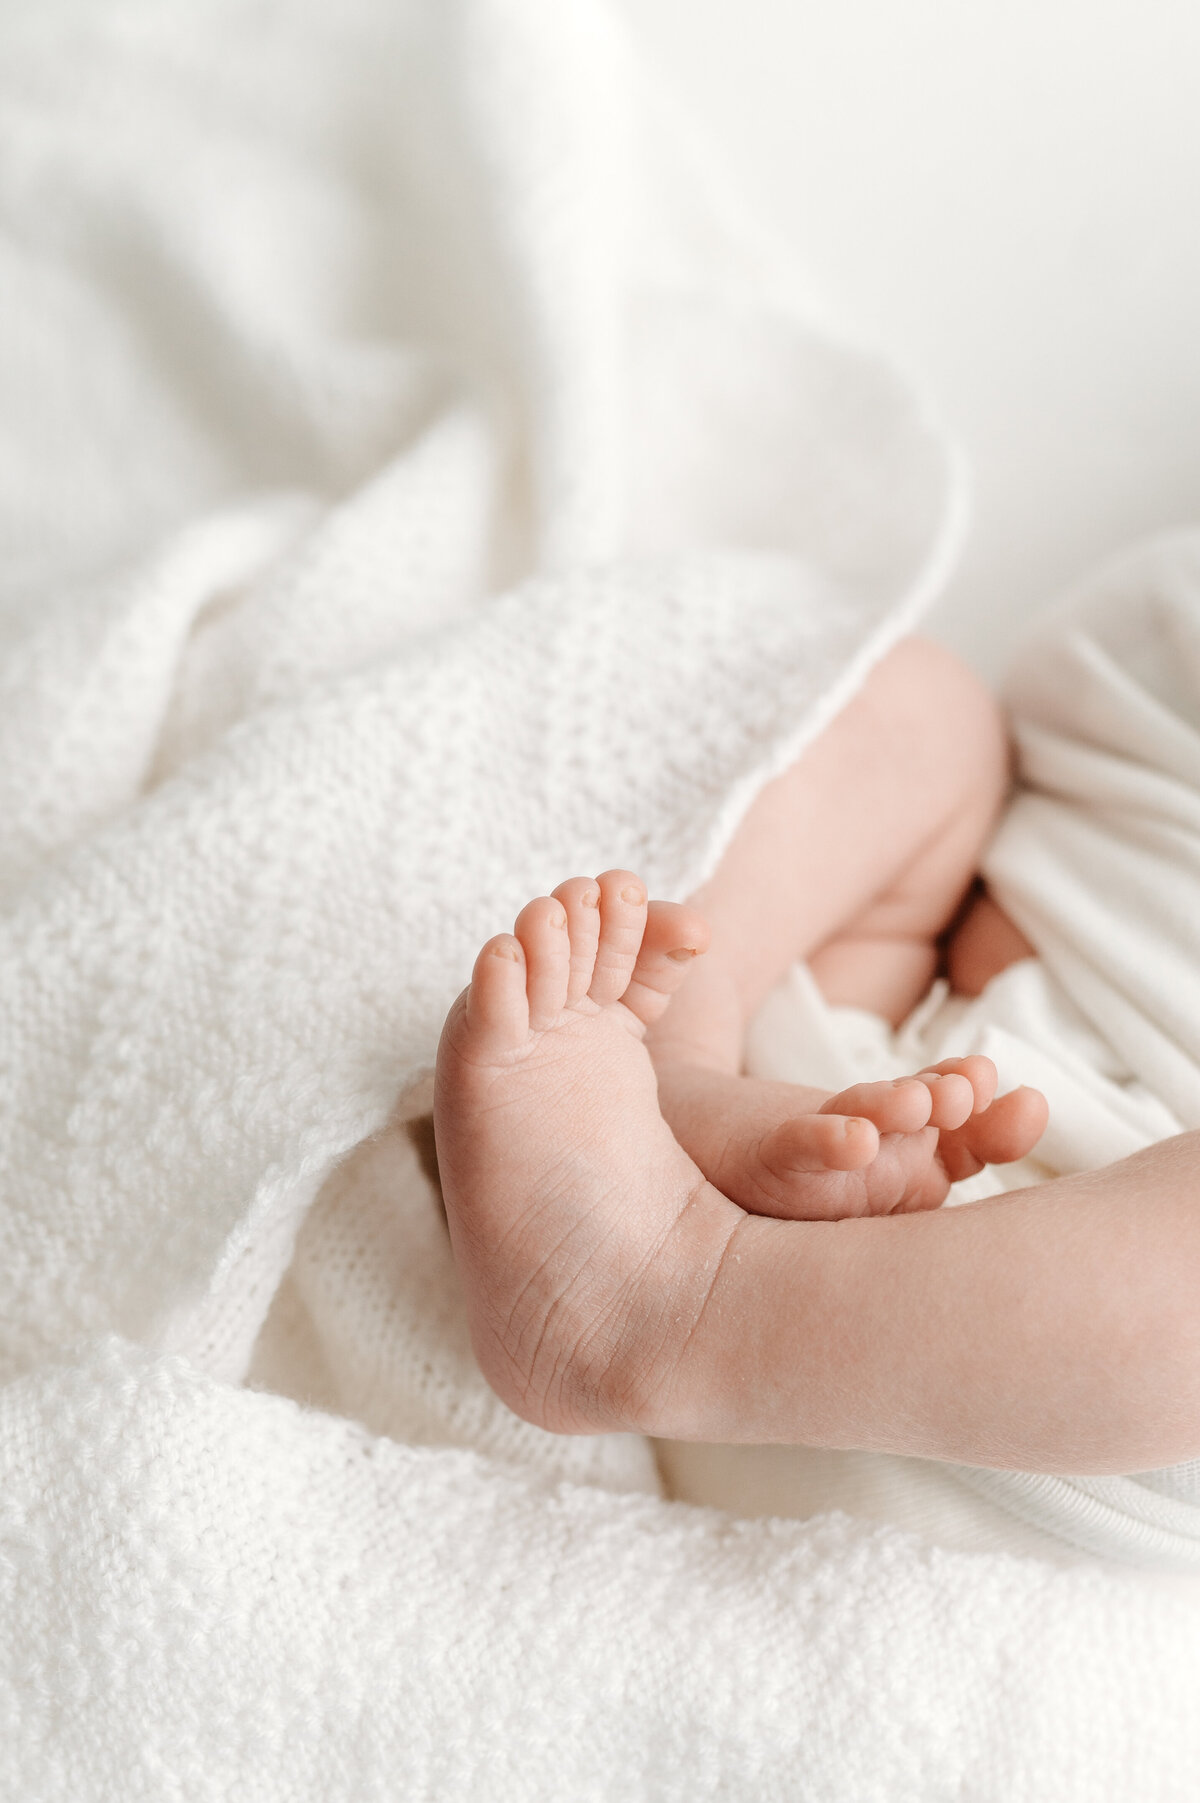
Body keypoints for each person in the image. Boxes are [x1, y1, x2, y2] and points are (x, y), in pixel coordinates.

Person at [433, 636, 1200, 1476]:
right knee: (925, 706)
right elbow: (1086, 708)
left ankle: (660, 1314)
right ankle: (679, 1068)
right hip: (863, 1069)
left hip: (1065, 1377)